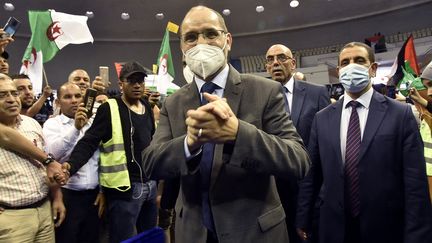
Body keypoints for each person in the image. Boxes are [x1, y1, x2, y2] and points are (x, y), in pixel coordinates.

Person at [142, 6, 310, 243]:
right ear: (181, 47)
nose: (201, 43)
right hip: (193, 234)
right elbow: (150, 163)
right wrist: (190, 144)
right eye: (190, 37)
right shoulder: (173, 102)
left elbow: (298, 160)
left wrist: (238, 134)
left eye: (211, 34)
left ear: (227, 40)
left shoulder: (265, 91)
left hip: (255, 233)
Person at [296, 42, 432, 243]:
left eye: (359, 61)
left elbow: (415, 183)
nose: (352, 66)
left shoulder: (400, 114)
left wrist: (417, 235)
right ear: (339, 70)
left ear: (373, 68)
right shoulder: (322, 118)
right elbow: (312, 174)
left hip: (386, 227)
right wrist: (303, 217)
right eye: (345, 62)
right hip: (333, 226)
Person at [63, 61, 157, 243]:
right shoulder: (110, 108)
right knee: (123, 239)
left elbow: (153, 142)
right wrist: (71, 165)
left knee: (149, 238)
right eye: (131, 81)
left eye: (140, 80)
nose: (137, 85)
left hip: (150, 184)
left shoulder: (146, 106)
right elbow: (89, 141)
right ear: (121, 83)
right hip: (125, 189)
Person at [265, 44, 330, 243]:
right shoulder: (259, 96)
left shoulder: (317, 93)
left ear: (292, 63)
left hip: (309, 189)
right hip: (271, 192)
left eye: (281, 57)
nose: (275, 62)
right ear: (266, 67)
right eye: (270, 59)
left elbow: (327, 143)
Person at [0, 75, 66, 242]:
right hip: (12, 218)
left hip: (44, 210)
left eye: (14, 93)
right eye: (2, 95)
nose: (11, 100)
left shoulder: (32, 124)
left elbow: (46, 167)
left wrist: (57, 197)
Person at [43, 83, 104, 243]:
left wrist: (102, 189)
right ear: (58, 102)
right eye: (68, 97)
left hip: (93, 196)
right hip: (67, 195)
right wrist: (75, 129)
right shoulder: (52, 124)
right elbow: (52, 155)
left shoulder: (92, 124)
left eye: (78, 96)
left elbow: (101, 158)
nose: (74, 100)